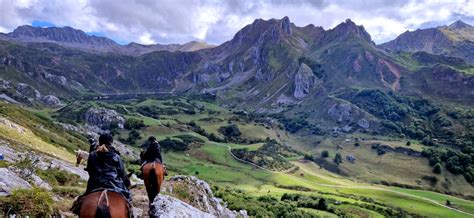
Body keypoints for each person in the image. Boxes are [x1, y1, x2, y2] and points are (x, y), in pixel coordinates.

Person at [72, 133, 131, 214]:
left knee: (80, 202)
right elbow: (121, 173)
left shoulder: (92, 155)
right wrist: (127, 183)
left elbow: (90, 171)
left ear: (99, 142)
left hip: (95, 184)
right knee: (128, 200)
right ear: (111, 142)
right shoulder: (116, 156)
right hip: (114, 185)